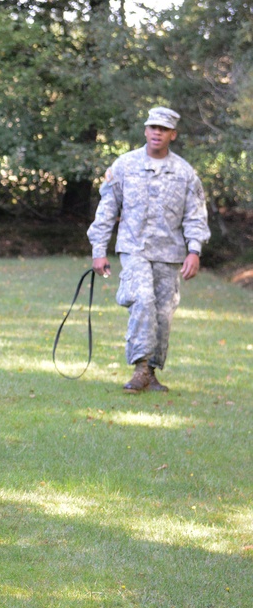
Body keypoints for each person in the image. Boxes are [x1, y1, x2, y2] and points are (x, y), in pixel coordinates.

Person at [87, 106, 211, 393]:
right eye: (153, 127)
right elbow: (106, 210)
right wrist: (98, 250)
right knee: (142, 300)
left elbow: (195, 215)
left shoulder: (184, 173)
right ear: (145, 130)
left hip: (170, 254)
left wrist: (194, 250)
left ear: (173, 135)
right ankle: (140, 368)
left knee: (163, 314)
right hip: (135, 249)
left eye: (163, 129)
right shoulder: (124, 166)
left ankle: (152, 372)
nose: (157, 132)